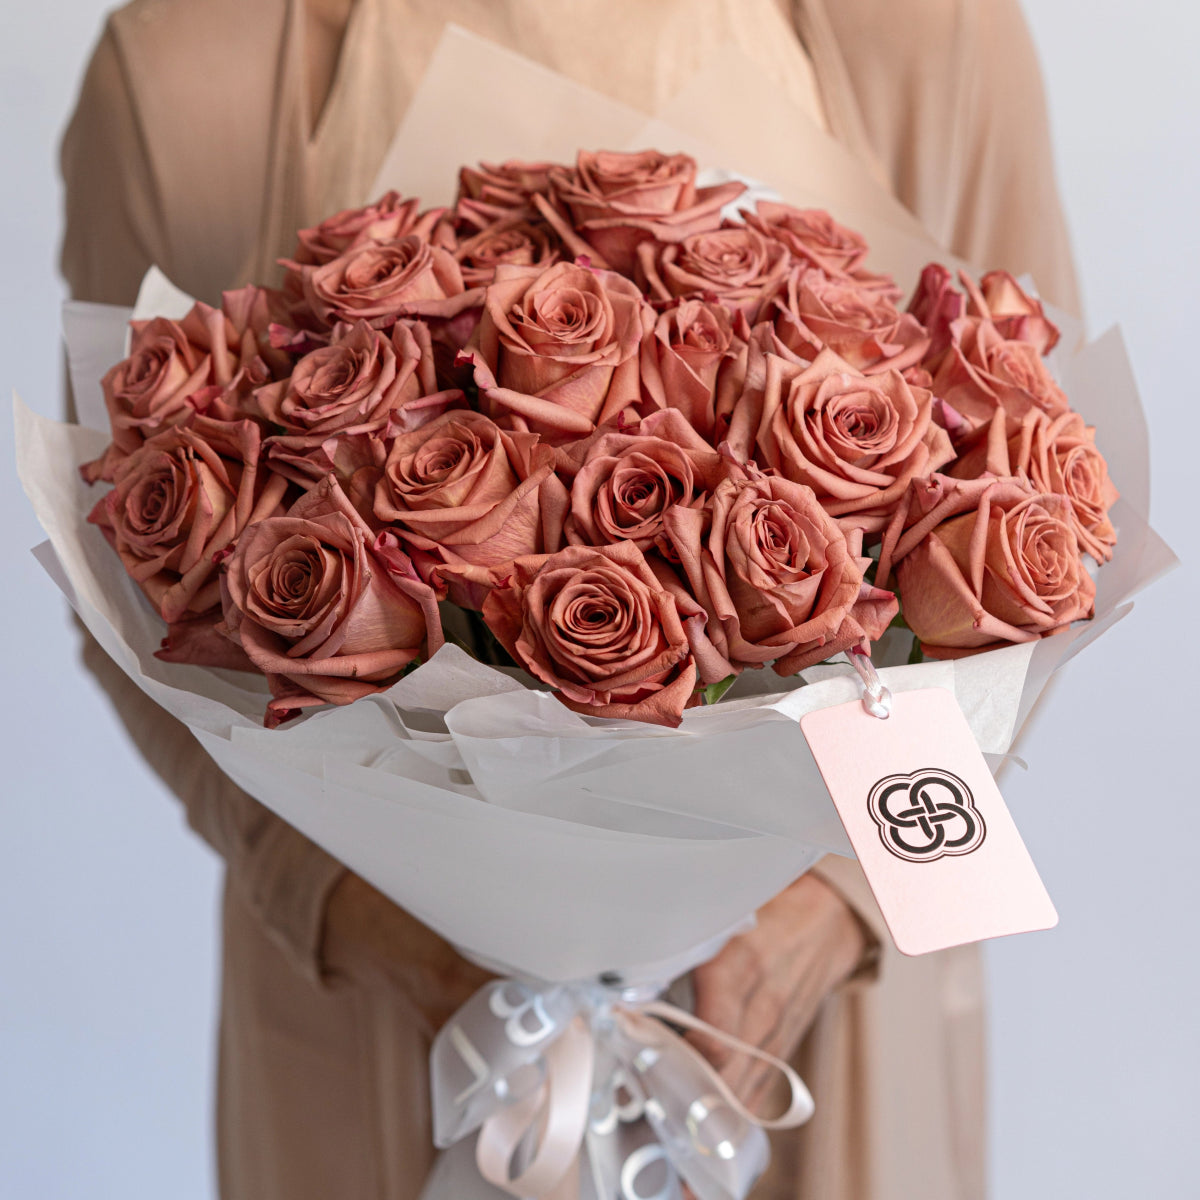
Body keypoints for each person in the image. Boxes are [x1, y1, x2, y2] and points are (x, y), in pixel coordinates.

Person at [60, 2, 1079, 1197]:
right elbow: (128, 592)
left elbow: (1038, 530)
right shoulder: (185, 63)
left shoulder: (931, 32)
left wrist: (838, 912)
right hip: (393, 1017)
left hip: (820, 1018)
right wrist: (357, 912)